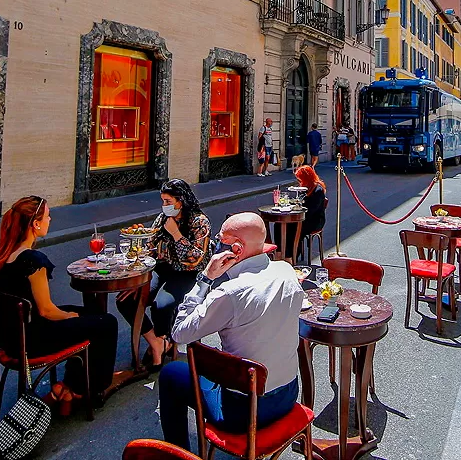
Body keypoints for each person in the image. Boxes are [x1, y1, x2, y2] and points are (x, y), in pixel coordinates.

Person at [159, 213, 304, 453]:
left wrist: (205, 279)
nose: (216, 243)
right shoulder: (286, 271)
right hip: (288, 395)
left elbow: (180, 334)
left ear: (236, 248)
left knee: (171, 373)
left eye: (220, 239)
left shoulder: (229, 293)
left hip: (244, 411)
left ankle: (178, 453)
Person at [0, 196, 117, 413]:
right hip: (34, 338)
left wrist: (74, 315)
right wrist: (70, 317)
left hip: (9, 337)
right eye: (47, 216)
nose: (50, 219)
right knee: (106, 322)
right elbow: (46, 310)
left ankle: (69, 384)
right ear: (35, 224)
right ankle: (87, 389)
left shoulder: (1, 258)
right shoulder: (33, 261)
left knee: (89, 313)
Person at [117, 180, 211, 369]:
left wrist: (176, 234)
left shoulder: (199, 222)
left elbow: (196, 259)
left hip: (186, 272)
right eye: (163, 202)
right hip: (161, 269)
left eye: (168, 202)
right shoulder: (162, 219)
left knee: (162, 305)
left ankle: (163, 341)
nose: (164, 206)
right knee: (126, 300)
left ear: (181, 201)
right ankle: (157, 342)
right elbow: (150, 247)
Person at [295, 165, 327, 261]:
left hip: (315, 220)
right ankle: (281, 251)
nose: (299, 182)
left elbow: (310, 210)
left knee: (293, 228)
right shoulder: (305, 188)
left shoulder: (318, 190)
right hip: (305, 217)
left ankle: (292, 254)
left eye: (301, 180)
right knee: (279, 226)